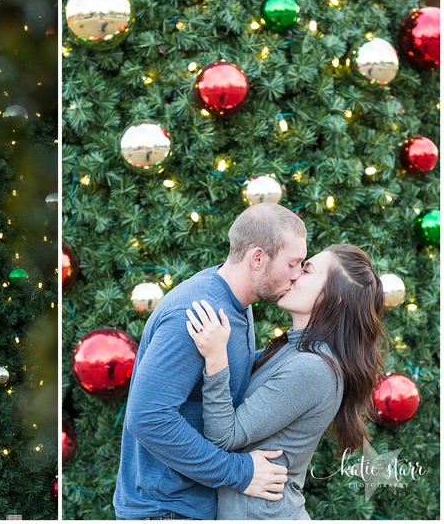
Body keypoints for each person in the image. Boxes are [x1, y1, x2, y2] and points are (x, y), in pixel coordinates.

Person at [114, 202, 308, 520]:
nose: (298, 274)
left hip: (189, 506)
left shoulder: (238, 303)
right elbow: (148, 419)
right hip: (165, 510)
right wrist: (238, 471)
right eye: (293, 263)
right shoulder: (194, 314)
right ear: (258, 258)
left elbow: (236, 375)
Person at [187, 244, 386, 519]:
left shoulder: (313, 368)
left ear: (333, 299)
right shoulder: (293, 349)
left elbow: (223, 436)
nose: (294, 274)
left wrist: (216, 357)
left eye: (307, 270)